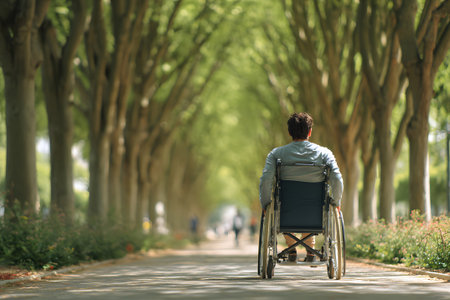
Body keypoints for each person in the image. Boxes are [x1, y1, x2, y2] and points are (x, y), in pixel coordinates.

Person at [259, 112, 343, 262]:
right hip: (315, 214)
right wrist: (336, 202)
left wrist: (265, 203)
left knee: (282, 204)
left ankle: (291, 249)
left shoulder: (276, 154)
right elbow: (337, 178)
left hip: (287, 212)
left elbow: (266, 180)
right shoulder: (325, 153)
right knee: (311, 206)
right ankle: (311, 252)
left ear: (289, 132)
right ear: (310, 132)